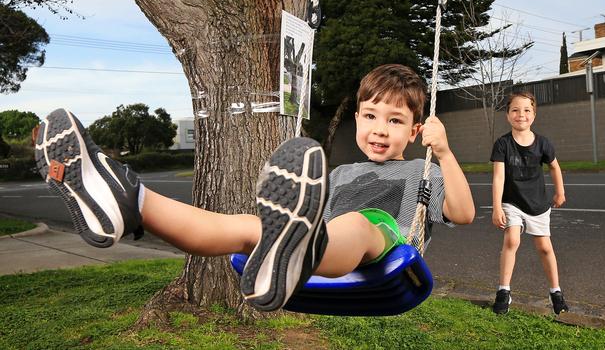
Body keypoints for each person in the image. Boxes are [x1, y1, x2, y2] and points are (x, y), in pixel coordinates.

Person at [34, 64, 475, 312]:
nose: (380, 129)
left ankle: (300, 246)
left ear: (416, 130)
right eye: (371, 116)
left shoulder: (423, 172)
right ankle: (131, 203)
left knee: (358, 223)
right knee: (249, 227)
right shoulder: (339, 175)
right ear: (357, 118)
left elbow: (462, 213)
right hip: (319, 240)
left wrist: (446, 154)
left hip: (384, 248)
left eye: (395, 121)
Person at [490, 91, 569, 315]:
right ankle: (503, 291)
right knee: (512, 239)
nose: (520, 114)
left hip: (538, 204)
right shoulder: (502, 144)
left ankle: (556, 293)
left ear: (533, 115)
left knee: (544, 247)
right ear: (508, 115)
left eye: (526, 110)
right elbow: (498, 177)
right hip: (512, 202)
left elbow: (554, 166)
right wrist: (497, 207)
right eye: (515, 110)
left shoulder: (543, 143)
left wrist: (560, 192)